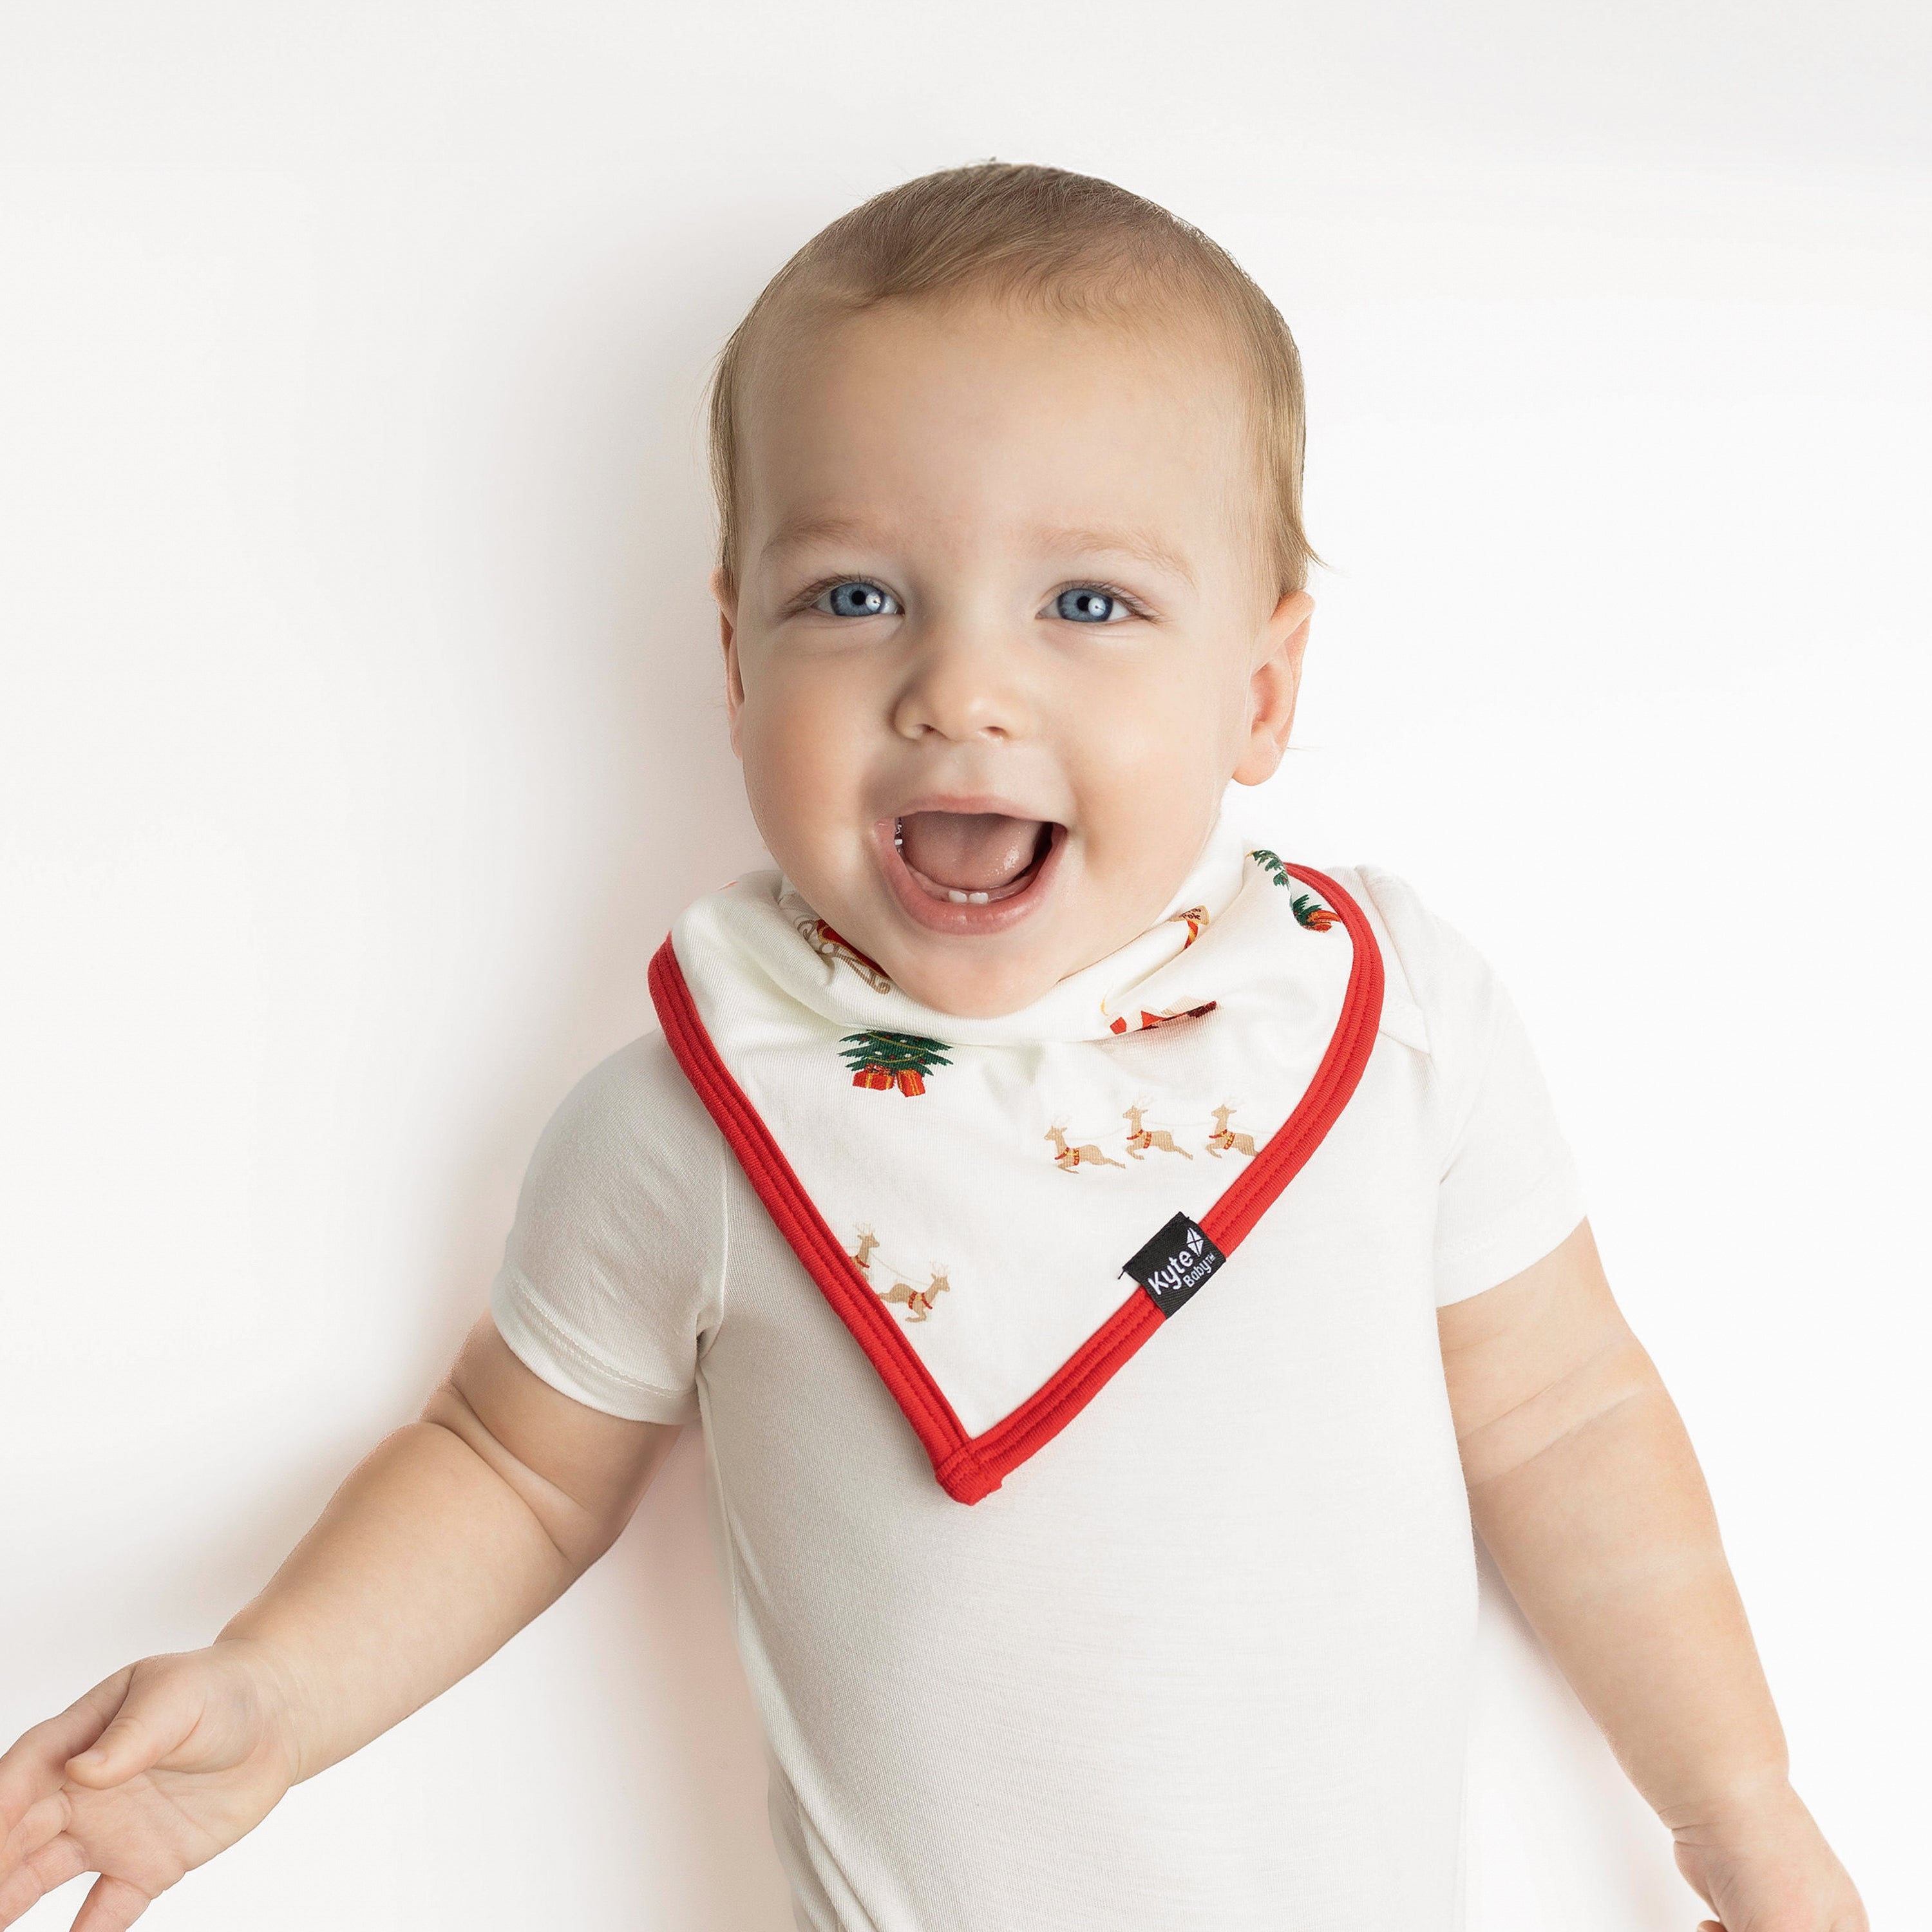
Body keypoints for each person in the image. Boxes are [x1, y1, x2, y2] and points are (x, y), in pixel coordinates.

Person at [0, 162, 1866, 1932]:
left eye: (1089, 603)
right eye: (856, 597)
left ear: (1261, 689)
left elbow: (1565, 1416)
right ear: (737, 663)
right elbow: (509, 1467)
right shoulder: (698, 1122)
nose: (960, 687)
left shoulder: (1389, 1028)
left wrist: (1740, 1806)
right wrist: (275, 1696)